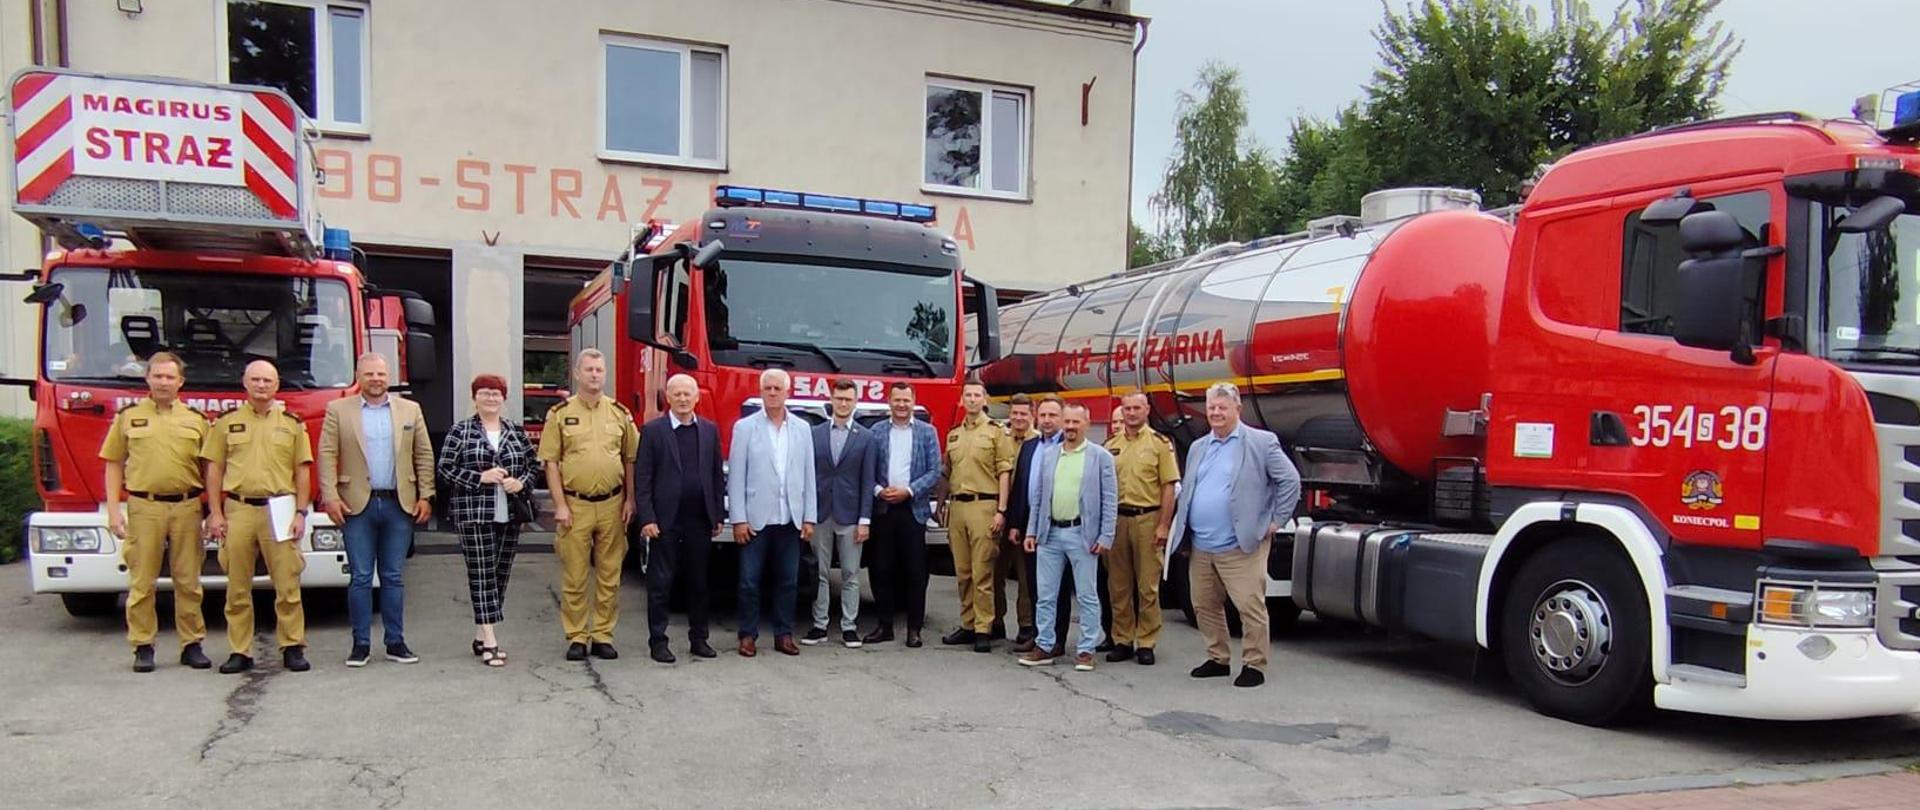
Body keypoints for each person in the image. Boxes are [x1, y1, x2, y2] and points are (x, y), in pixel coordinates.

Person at [1167, 382, 1300, 688]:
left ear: (1237, 410)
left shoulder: (1261, 442)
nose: (1216, 412)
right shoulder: (1200, 446)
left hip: (1240, 545)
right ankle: (1217, 658)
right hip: (1201, 544)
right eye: (1211, 407)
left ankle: (1254, 664)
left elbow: (1290, 481)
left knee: (1249, 606)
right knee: (1203, 604)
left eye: (1222, 407)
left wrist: (1276, 521)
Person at [319, 352, 436, 668]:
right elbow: (327, 454)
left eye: (381, 374)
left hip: (399, 503)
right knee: (359, 576)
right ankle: (360, 644)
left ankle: (395, 642)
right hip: (356, 504)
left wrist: (427, 495)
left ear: (389, 377)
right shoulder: (338, 410)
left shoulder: (410, 410)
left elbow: (423, 455)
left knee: (393, 576)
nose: (376, 379)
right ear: (359, 375)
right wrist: (329, 496)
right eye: (369, 374)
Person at [100, 351, 213, 673]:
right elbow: (113, 464)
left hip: (187, 507)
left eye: (170, 377)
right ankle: (143, 645)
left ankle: (192, 644)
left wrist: (213, 511)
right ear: (147, 378)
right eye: (158, 376)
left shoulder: (196, 421)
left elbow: (209, 468)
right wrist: (112, 511)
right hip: (143, 507)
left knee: (188, 580)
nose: (164, 382)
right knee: (142, 580)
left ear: (181, 382)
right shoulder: (128, 417)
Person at [202, 360, 313, 674]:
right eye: (256, 380)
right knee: (237, 586)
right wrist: (215, 512)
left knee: (287, 583)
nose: (262, 385)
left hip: (279, 509)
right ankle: (240, 650)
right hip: (238, 509)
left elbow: (302, 471)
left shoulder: (292, 424)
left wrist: (301, 513)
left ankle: (292, 646)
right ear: (245, 383)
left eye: (267, 380)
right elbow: (215, 469)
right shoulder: (226, 423)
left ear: (277, 385)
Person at [539, 349, 639, 661]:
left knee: (610, 575)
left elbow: (630, 459)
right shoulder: (560, 413)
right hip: (575, 505)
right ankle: (577, 636)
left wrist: (630, 499)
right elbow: (550, 462)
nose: (595, 375)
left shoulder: (619, 414)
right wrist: (560, 504)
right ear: (577, 374)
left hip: (612, 504)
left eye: (599, 369)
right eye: (589, 369)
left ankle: (603, 635)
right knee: (575, 576)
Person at [437, 374, 539, 667]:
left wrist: (521, 483)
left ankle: (481, 633)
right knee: (481, 573)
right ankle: (491, 642)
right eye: (484, 393)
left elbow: (534, 464)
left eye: (496, 394)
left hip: (509, 514)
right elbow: (445, 469)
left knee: (499, 574)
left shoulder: (515, 432)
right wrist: (478, 477)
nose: (490, 399)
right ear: (475, 397)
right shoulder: (461, 431)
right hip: (473, 514)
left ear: (503, 398)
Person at [1017, 403, 1117, 672]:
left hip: (1082, 535)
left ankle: (1086, 649)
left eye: (1076, 422)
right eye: (1068, 422)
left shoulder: (1100, 457)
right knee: (1045, 596)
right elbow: (1038, 498)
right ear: (1062, 423)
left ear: (1087, 423)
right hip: (1049, 535)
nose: (1071, 427)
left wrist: (1106, 535)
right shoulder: (1050, 455)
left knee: (1087, 595)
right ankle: (1045, 645)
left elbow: (1110, 499)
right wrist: (1031, 532)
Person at [728, 368, 817, 658]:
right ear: (761, 391)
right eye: (768, 388)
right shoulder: (745, 428)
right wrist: (738, 518)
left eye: (778, 388)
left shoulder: (802, 429)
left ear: (788, 392)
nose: (773, 393)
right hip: (756, 518)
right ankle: (747, 635)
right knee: (749, 580)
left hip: (790, 517)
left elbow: (809, 475)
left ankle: (783, 634)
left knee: (788, 581)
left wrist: (809, 517)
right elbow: (736, 476)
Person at [635, 374, 724, 664]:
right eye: (678, 394)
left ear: (697, 397)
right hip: (664, 521)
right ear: (668, 398)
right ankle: (658, 642)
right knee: (661, 583)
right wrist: (646, 517)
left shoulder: (709, 430)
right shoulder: (653, 431)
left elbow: (714, 475)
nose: (683, 399)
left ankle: (699, 639)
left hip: (699, 519)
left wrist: (718, 514)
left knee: (699, 583)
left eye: (688, 394)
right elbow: (643, 478)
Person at [861, 383, 942, 647]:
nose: (901, 405)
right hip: (883, 509)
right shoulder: (876, 432)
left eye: (906, 400)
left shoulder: (927, 432)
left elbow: (934, 471)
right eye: (897, 400)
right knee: (881, 569)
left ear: (913, 402)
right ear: (889, 402)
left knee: (915, 572)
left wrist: (908, 491)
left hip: (912, 509)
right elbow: (868, 470)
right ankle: (885, 626)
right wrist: (878, 490)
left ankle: (914, 629)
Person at [1103, 392, 1180, 665]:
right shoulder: (1111, 444)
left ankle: (1146, 641)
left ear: (1147, 410)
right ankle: (1122, 639)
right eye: (1127, 408)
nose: (1132, 412)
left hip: (1148, 520)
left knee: (1147, 586)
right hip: (1117, 521)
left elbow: (1168, 486)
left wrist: (1163, 525)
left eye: (1137, 407)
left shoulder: (1160, 444)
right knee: (1118, 585)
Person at [940, 380, 1015, 652]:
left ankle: (984, 628)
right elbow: (947, 472)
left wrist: (1001, 510)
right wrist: (942, 502)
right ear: (962, 400)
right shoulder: (954, 434)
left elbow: (1004, 472)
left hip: (984, 505)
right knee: (962, 572)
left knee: (982, 571)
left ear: (985, 399)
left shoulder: (997, 432)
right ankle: (968, 623)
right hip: (958, 507)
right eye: (967, 395)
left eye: (977, 395)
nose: (972, 400)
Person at [805, 379, 876, 648]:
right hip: (821, 513)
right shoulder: (816, 434)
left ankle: (849, 626)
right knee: (820, 573)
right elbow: (808, 476)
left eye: (848, 399)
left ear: (855, 402)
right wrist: (807, 515)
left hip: (851, 516)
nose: (843, 403)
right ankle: (819, 625)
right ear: (831, 401)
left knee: (850, 573)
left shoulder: (866, 438)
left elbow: (868, 480)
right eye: (839, 398)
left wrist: (865, 520)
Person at [1004, 395, 1066, 654]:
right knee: (1035, 584)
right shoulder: (1030, 445)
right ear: (1036, 417)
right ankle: (1040, 636)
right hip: (1031, 524)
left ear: (1061, 418)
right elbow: (1020, 486)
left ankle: (1058, 641)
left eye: (1053, 415)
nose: (1047, 420)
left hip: (1059, 524)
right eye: (1043, 415)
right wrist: (1016, 524)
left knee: (1058, 587)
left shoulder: (1069, 444)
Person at [990, 394, 1038, 647]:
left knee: (1025, 577)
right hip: (998, 515)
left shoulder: (1040, 442)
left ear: (1033, 414)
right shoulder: (1000, 437)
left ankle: (1026, 625)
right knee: (994, 573)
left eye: (1023, 414)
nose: (1018, 418)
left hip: (1026, 517)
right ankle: (995, 621)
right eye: (1015, 413)